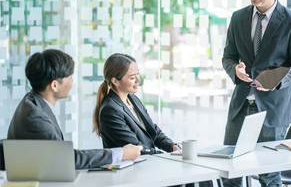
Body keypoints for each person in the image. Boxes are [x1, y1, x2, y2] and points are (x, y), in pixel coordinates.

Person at [222, 0, 291, 187]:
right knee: (230, 171)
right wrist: (235, 69)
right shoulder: (238, 17)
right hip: (240, 106)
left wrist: (274, 80)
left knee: (269, 175)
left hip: (272, 111)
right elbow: (228, 56)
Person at [7, 49, 143, 169]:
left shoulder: (32, 101)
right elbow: (68, 159)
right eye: (70, 76)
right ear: (54, 85)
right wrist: (121, 153)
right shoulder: (35, 117)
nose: (72, 81)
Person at [93, 53, 178, 154]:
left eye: (138, 74)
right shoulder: (110, 111)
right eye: (132, 77)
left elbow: (153, 131)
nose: (138, 80)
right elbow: (136, 147)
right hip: (132, 167)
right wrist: (165, 156)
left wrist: (173, 147)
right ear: (115, 81)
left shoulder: (133, 99)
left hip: (147, 162)